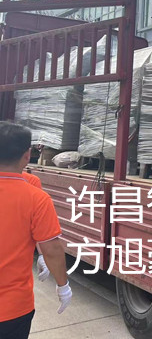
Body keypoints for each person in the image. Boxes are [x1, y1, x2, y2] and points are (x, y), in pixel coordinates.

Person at [0, 122, 72, 339]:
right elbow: (52, 249)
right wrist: (63, 286)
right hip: (11, 309)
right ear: (27, 155)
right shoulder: (37, 198)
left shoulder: (34, 187)